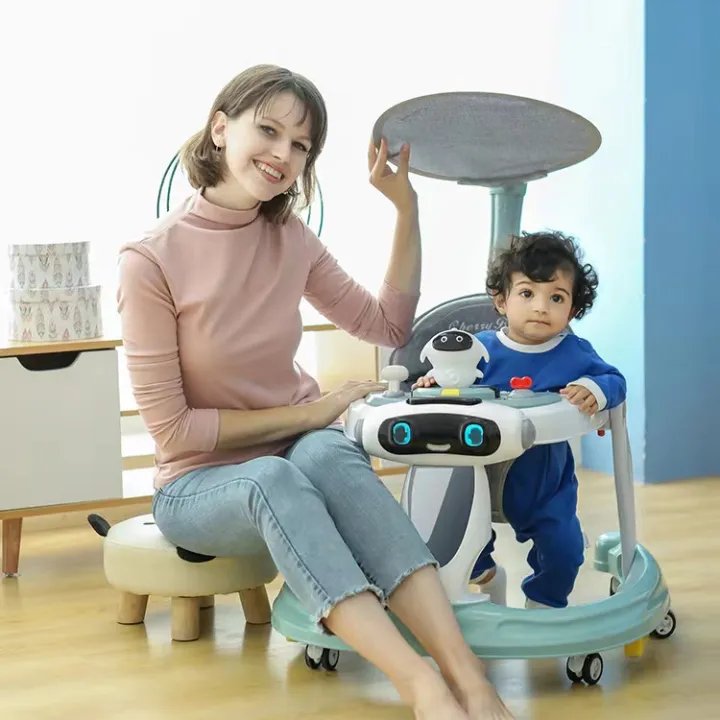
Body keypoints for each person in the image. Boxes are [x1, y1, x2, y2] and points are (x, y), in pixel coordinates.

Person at [116, 64, 514, 720]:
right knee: (276, 473)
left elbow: (387, 325)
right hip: (197, 484)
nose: (283, 154)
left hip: (297, 453)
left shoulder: (290, 238)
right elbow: (176, 432)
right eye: (268, 131)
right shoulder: (150, 260)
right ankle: (421, 687)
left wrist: (406, 208)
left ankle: (468, 678)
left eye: (300, 145)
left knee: (327, 452)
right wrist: (310, 411)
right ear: (220, 128)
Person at [415, 230, 627, 610]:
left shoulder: (575, 353)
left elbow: (614, 380)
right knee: (455, 539)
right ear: (501, 301)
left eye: (556, 298)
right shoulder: (479, 351)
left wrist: (593, 388)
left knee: (564, 550)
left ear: (572, 310)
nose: (541, 307)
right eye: (527, 293)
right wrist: (435, 382)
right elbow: (452, 379)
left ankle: (543, 604)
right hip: (477, 477)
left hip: (544, 485)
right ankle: (487, 578)